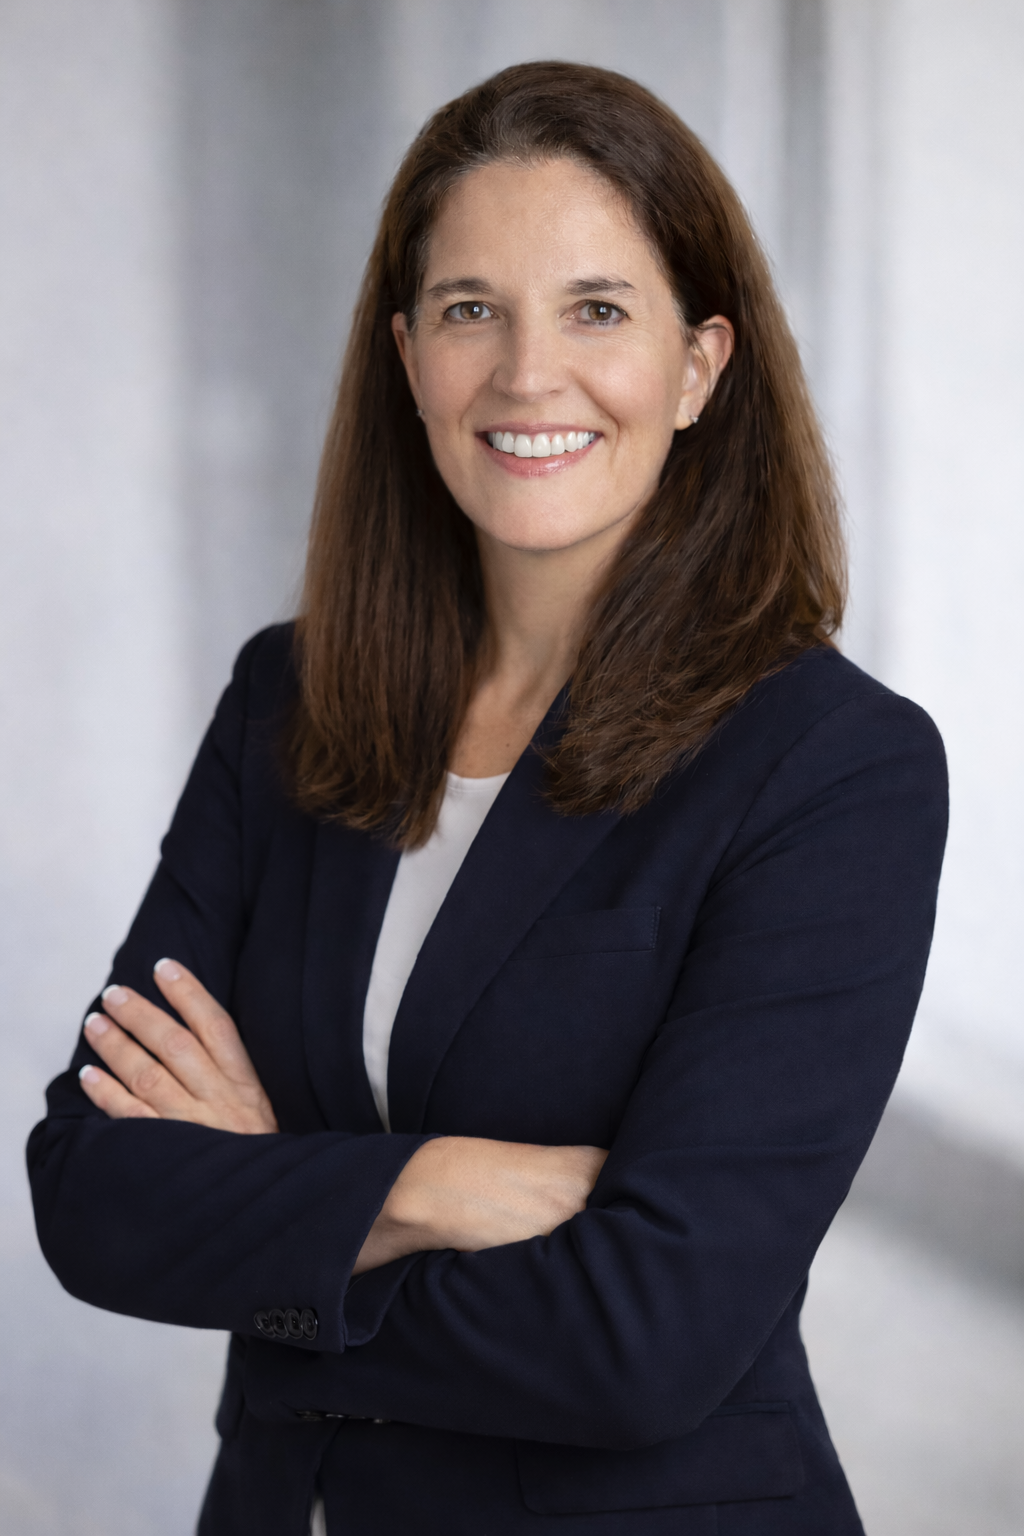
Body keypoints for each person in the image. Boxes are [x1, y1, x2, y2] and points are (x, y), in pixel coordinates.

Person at [27, 61, 947, 1536]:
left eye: (597, 309)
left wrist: (279, 1225)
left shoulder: (831, 767)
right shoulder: (293, 698)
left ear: (702, 364)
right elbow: (90, 1189)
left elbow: (648, 1336)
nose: (528, 376)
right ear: (407, 355)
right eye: (472, 310)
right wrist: (441, 1185)